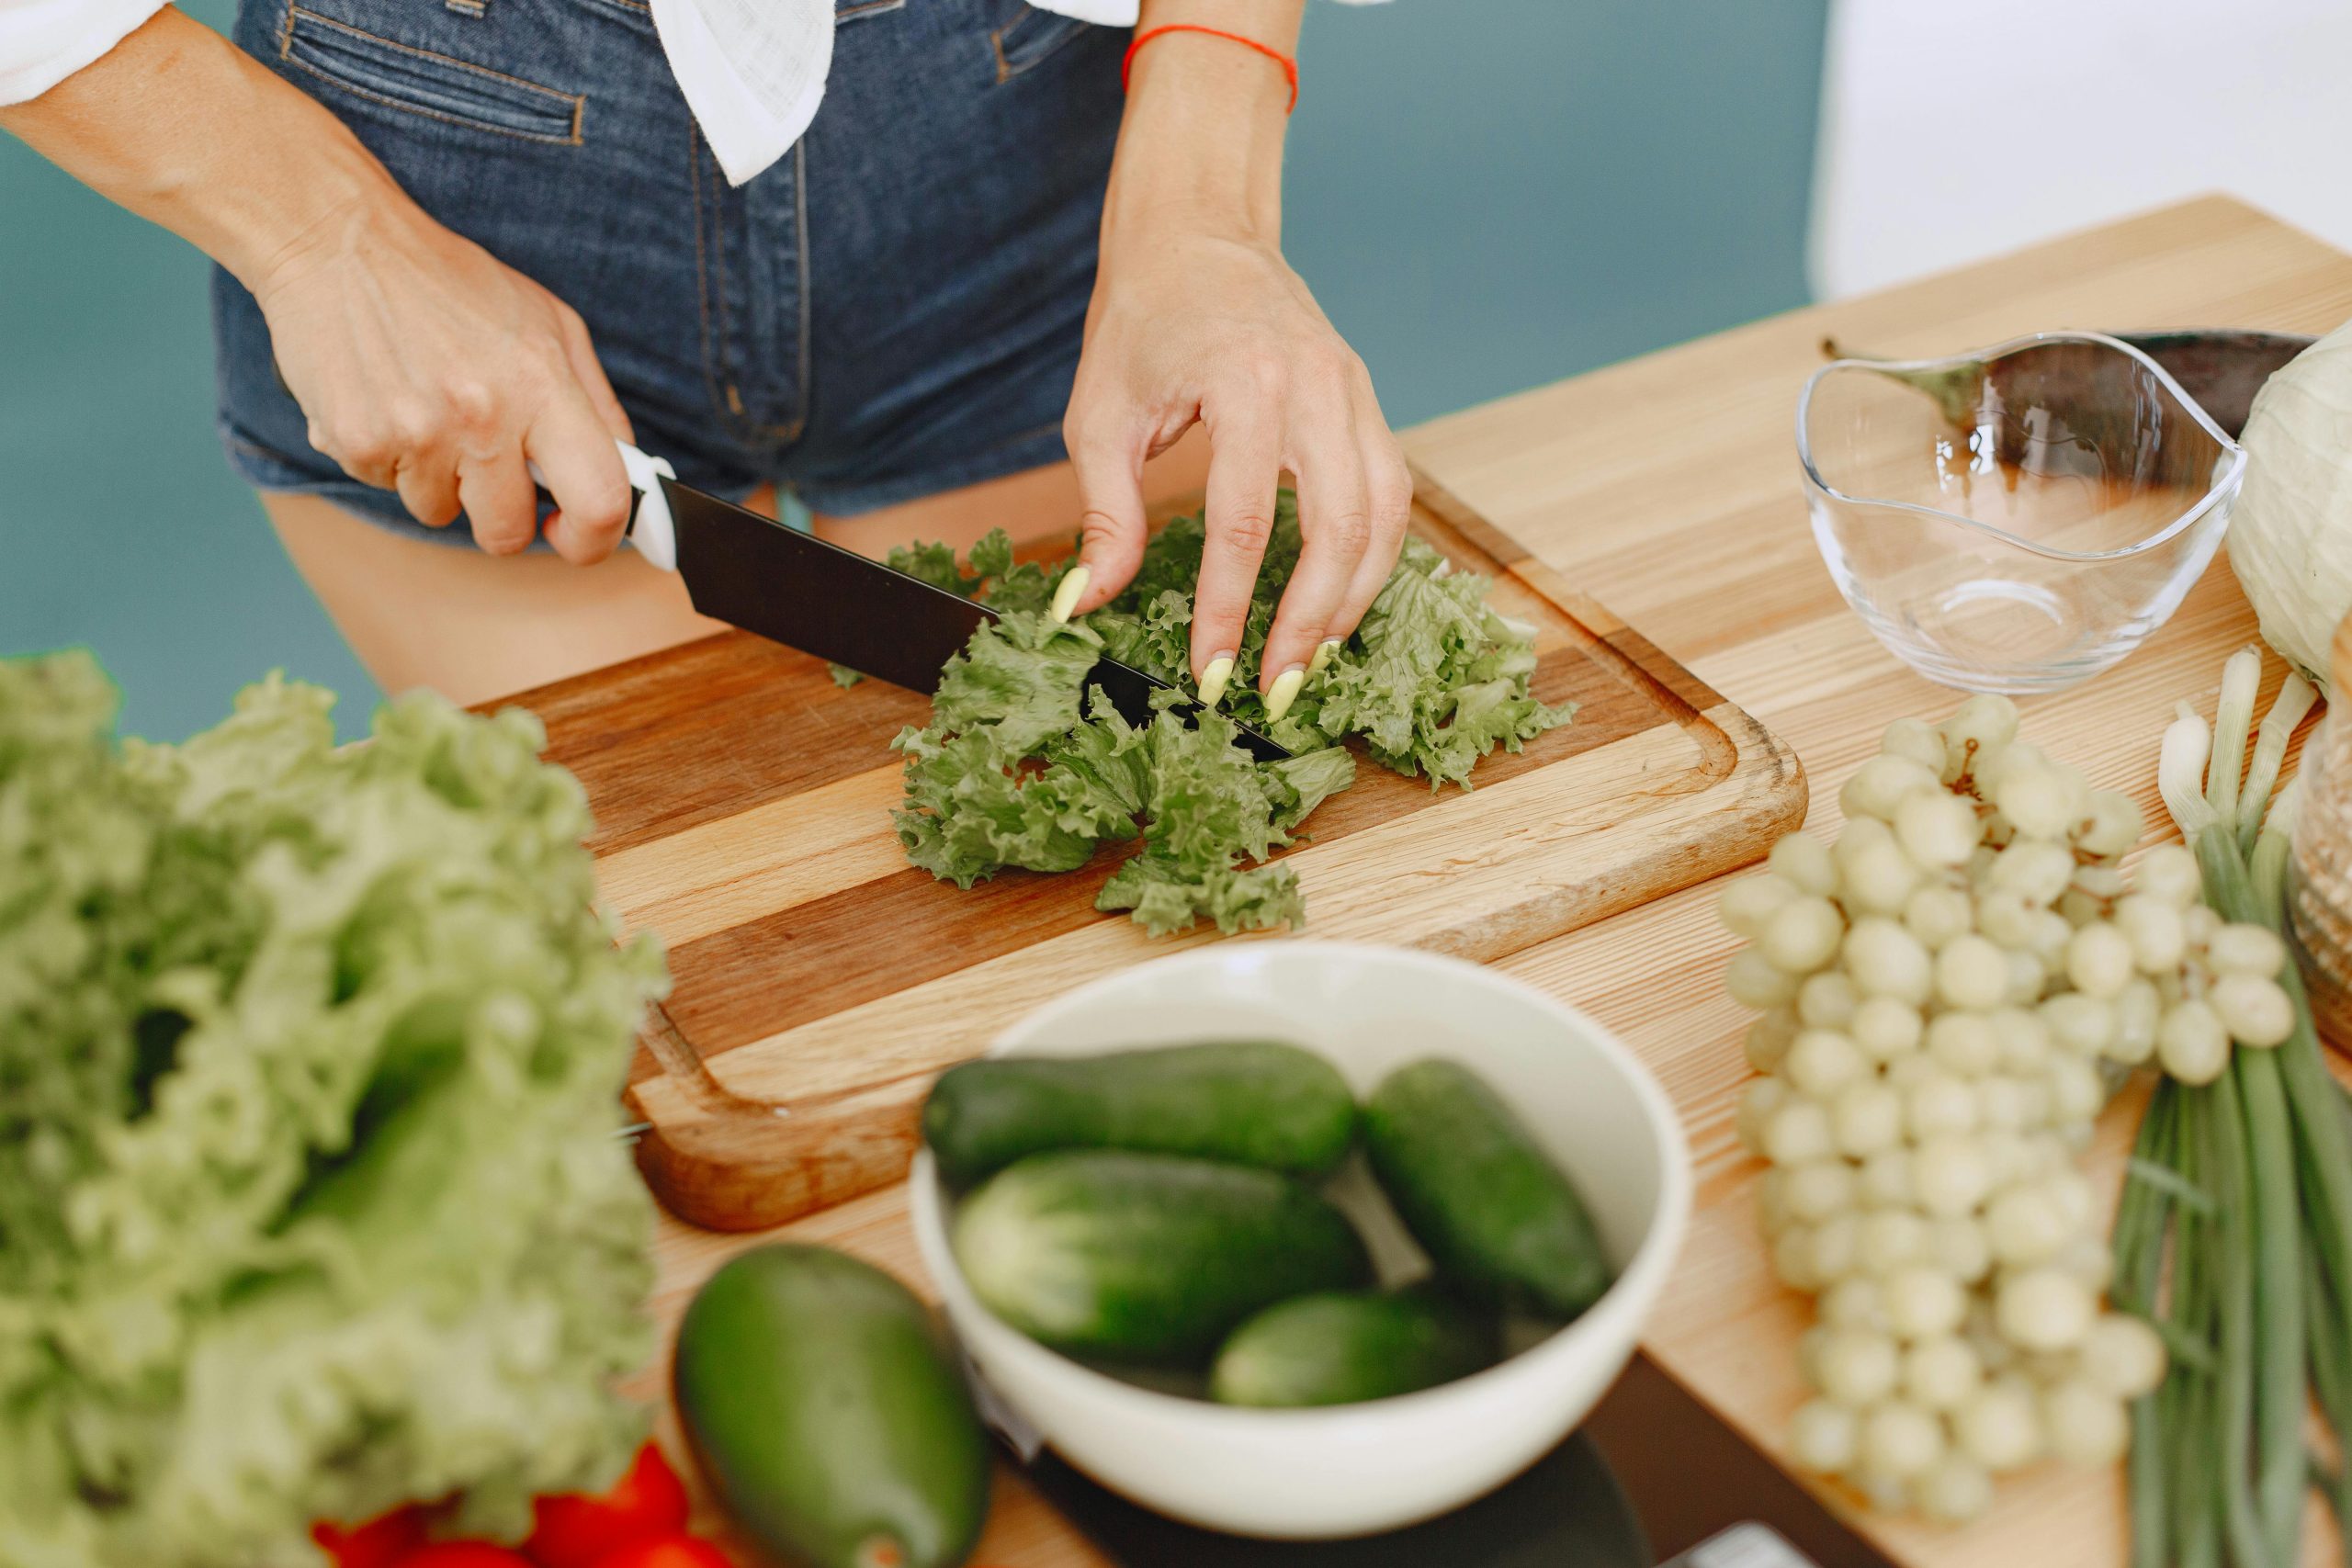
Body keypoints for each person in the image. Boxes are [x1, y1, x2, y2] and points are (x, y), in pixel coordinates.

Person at [0, 0, 1411, 718]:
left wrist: (1208, 190)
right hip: (445, 161)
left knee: (1082, 908)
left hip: (1033, 134)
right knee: (685, 951)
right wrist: (321, 235)